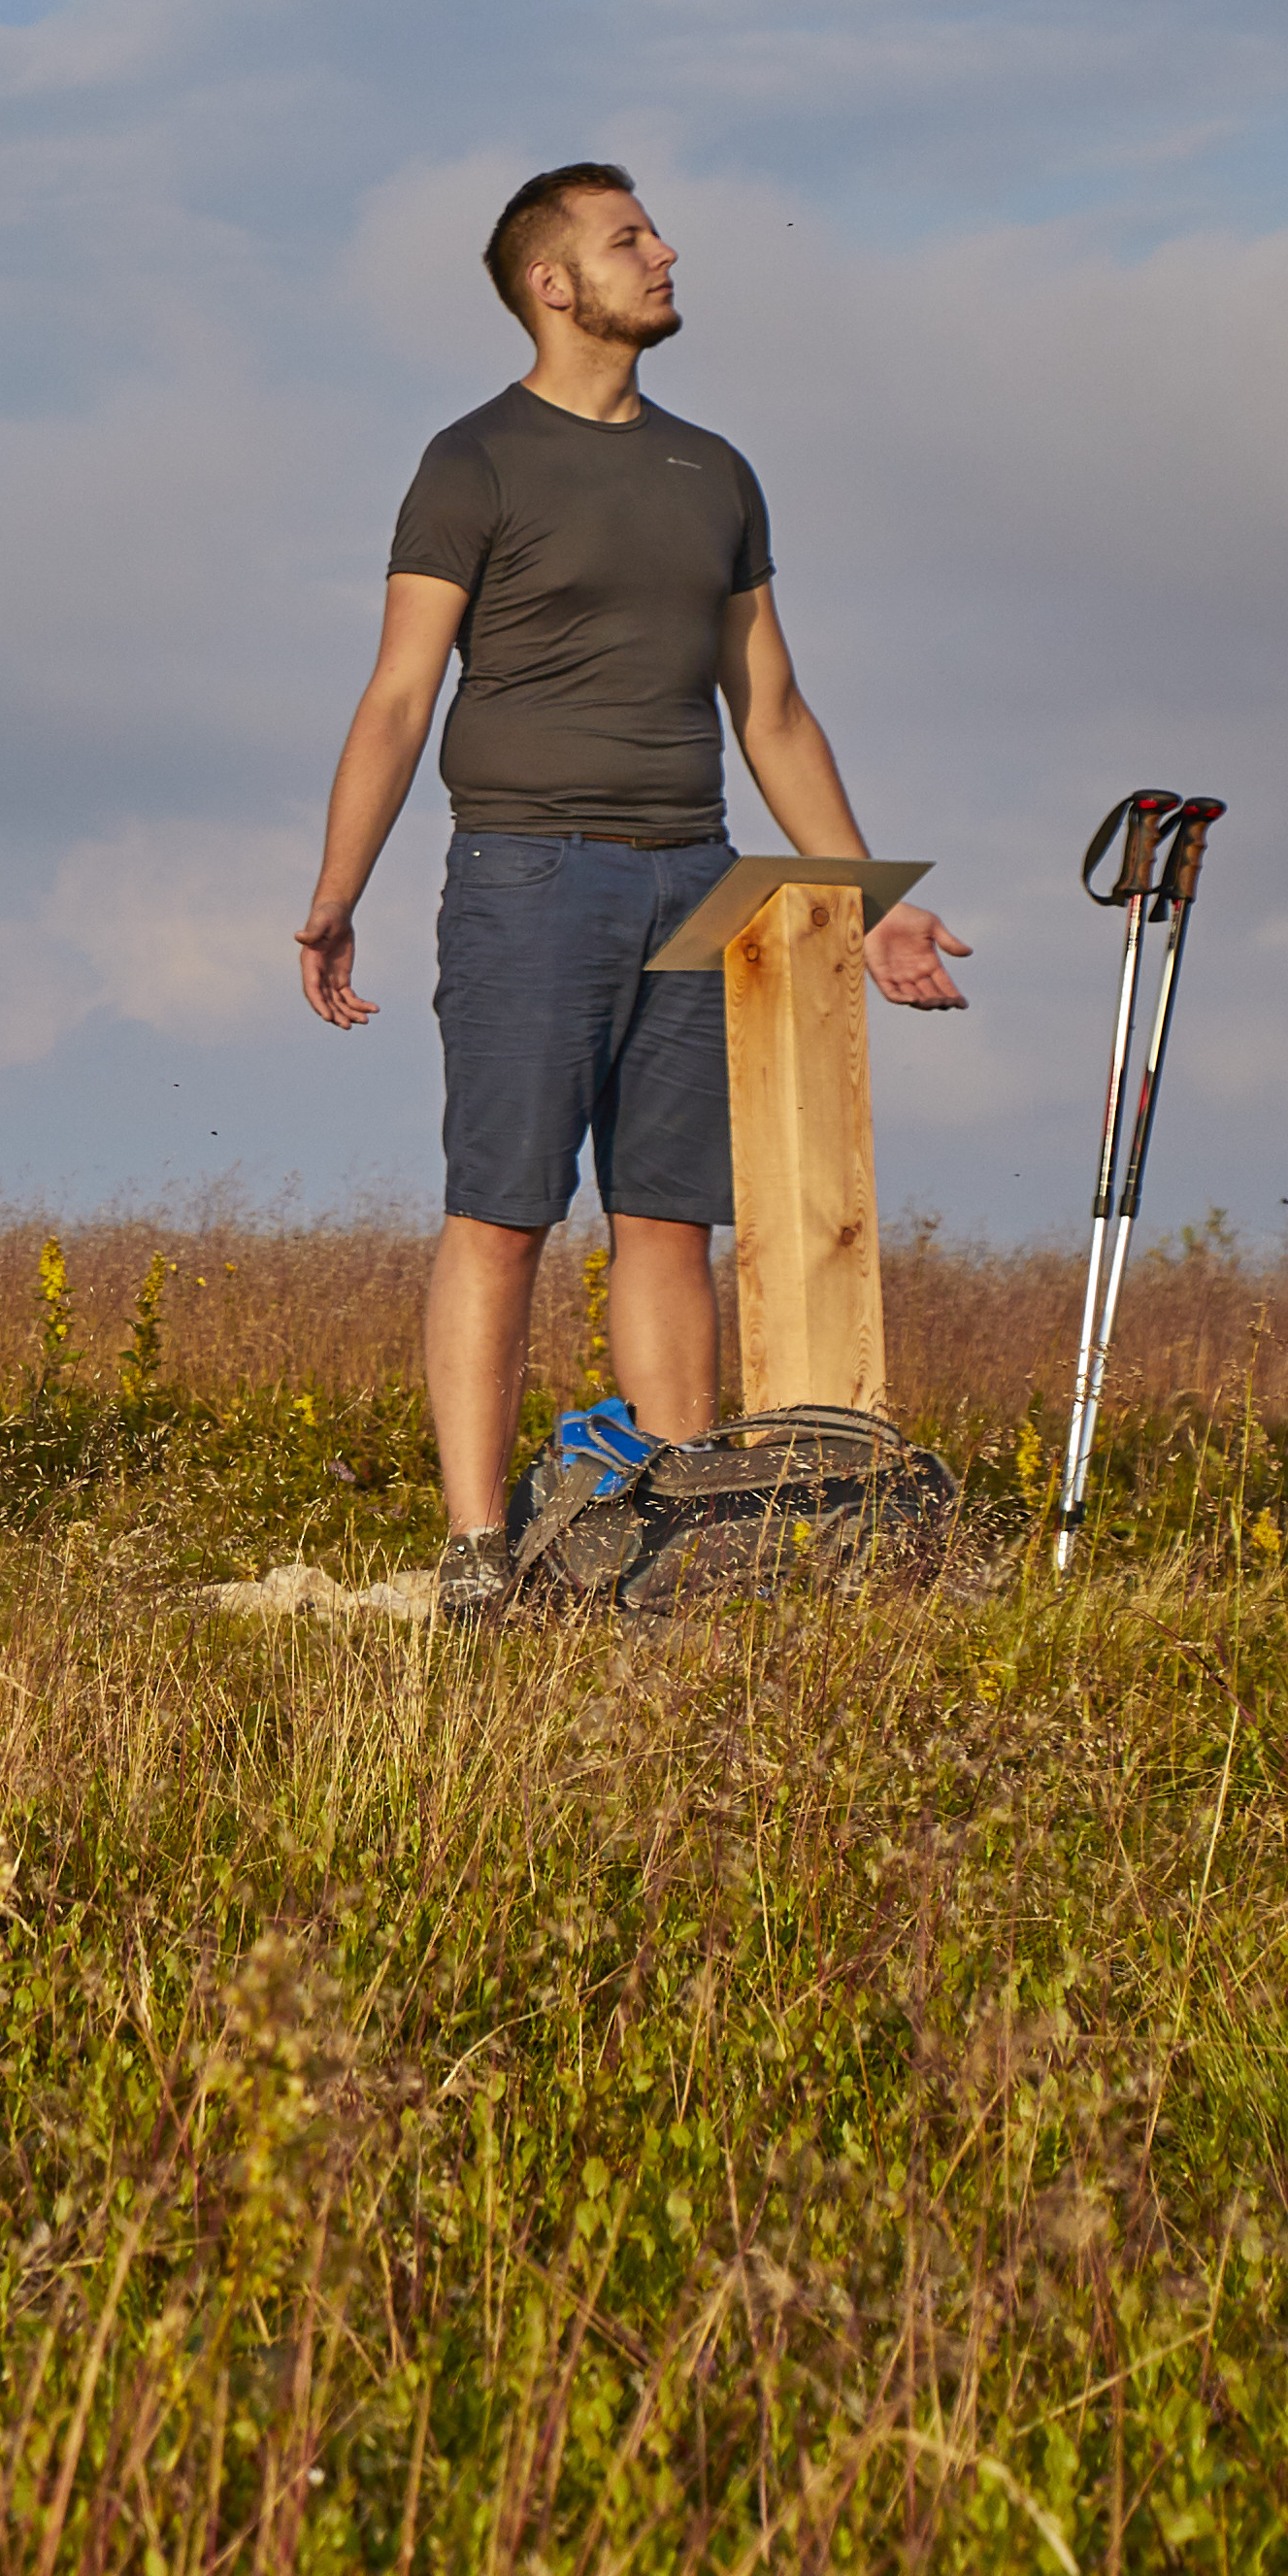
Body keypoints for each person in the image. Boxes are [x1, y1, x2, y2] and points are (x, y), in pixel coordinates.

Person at [291, 163, 965, 1623]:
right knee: (506, 1210)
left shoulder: (713, 471)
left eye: (653, 232)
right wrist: (337, 890)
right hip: (527, 871)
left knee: (670, 1218)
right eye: (628, 239)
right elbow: (402, 696)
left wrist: (865, 897)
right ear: (553, 283)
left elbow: (772, 710)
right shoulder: (472, 462)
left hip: (700, 878)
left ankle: (679, 1531)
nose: (665, 253)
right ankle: (478, 1557)